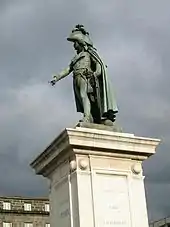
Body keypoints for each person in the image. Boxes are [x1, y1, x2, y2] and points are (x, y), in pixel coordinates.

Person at [50, 25, 118, 124]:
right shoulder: (75, 58)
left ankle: (86, 116)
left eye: (75, 43)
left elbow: (99, 64)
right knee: (81, 99)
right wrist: (57, 77)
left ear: (81, 43)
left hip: (85, 77)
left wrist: (96, 73)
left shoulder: (88, 54)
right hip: (76, 78)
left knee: (83, 95)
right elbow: (68, 69)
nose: (74, 45)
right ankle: (89, 116)